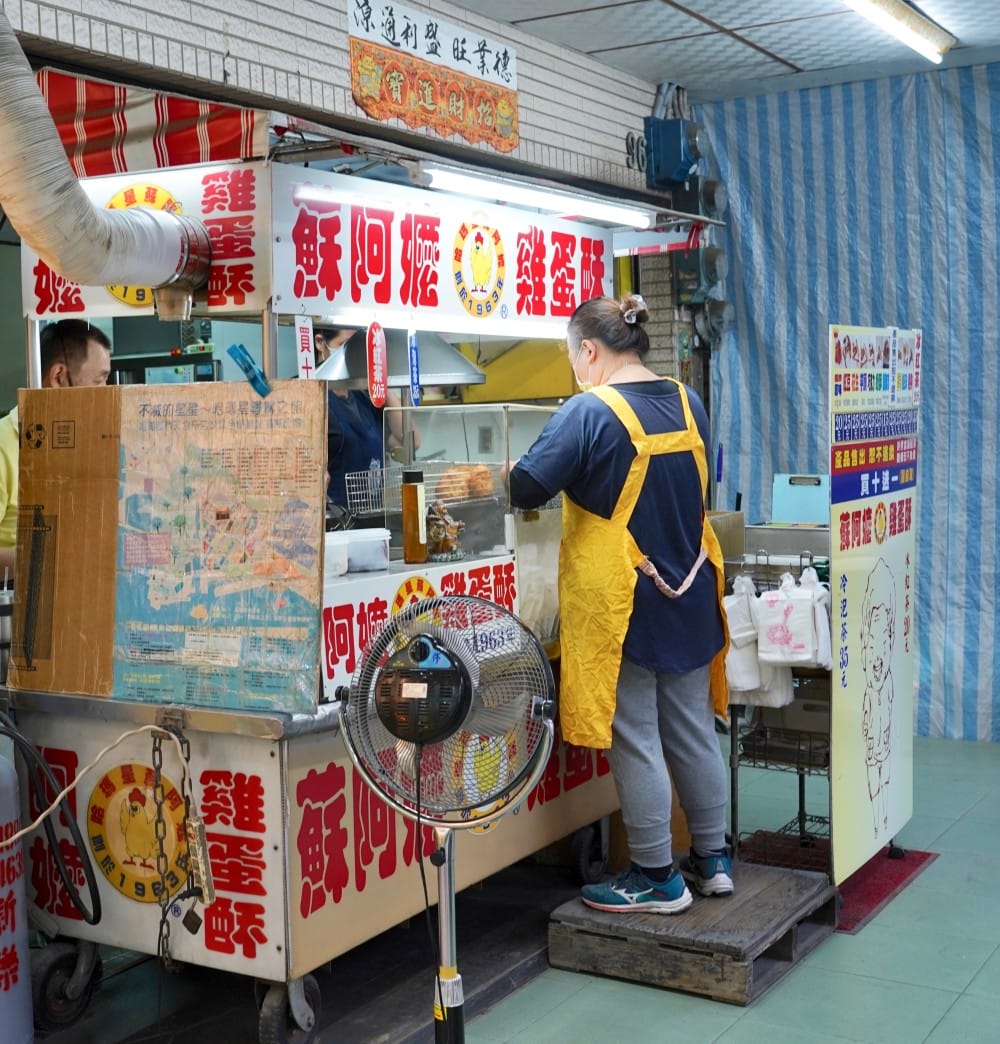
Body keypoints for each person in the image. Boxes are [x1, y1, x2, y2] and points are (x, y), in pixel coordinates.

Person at [507, 294, 732, 914]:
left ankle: (657, 877)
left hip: (623, 603)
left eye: (572, 355)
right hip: (689, 587)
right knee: (691, 730)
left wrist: (504, 467)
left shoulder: (589, 410)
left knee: (635, 735)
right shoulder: (691, 402)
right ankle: (712, 861)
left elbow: (525, 485)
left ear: (589, 350)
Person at [0, 319, 112, 573]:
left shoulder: (87, 444)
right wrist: (54, 558)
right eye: (98, 381)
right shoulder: (4, 446)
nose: (106, 393)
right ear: (59, 377)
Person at [314, 327, 417, 511]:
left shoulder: (363, 398)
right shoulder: (313, 398)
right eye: (344, 345)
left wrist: (382, 383)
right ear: (320, 342)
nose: (352, 355)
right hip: (336, 525)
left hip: (374, 520)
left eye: (358, 350)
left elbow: (410, 441)